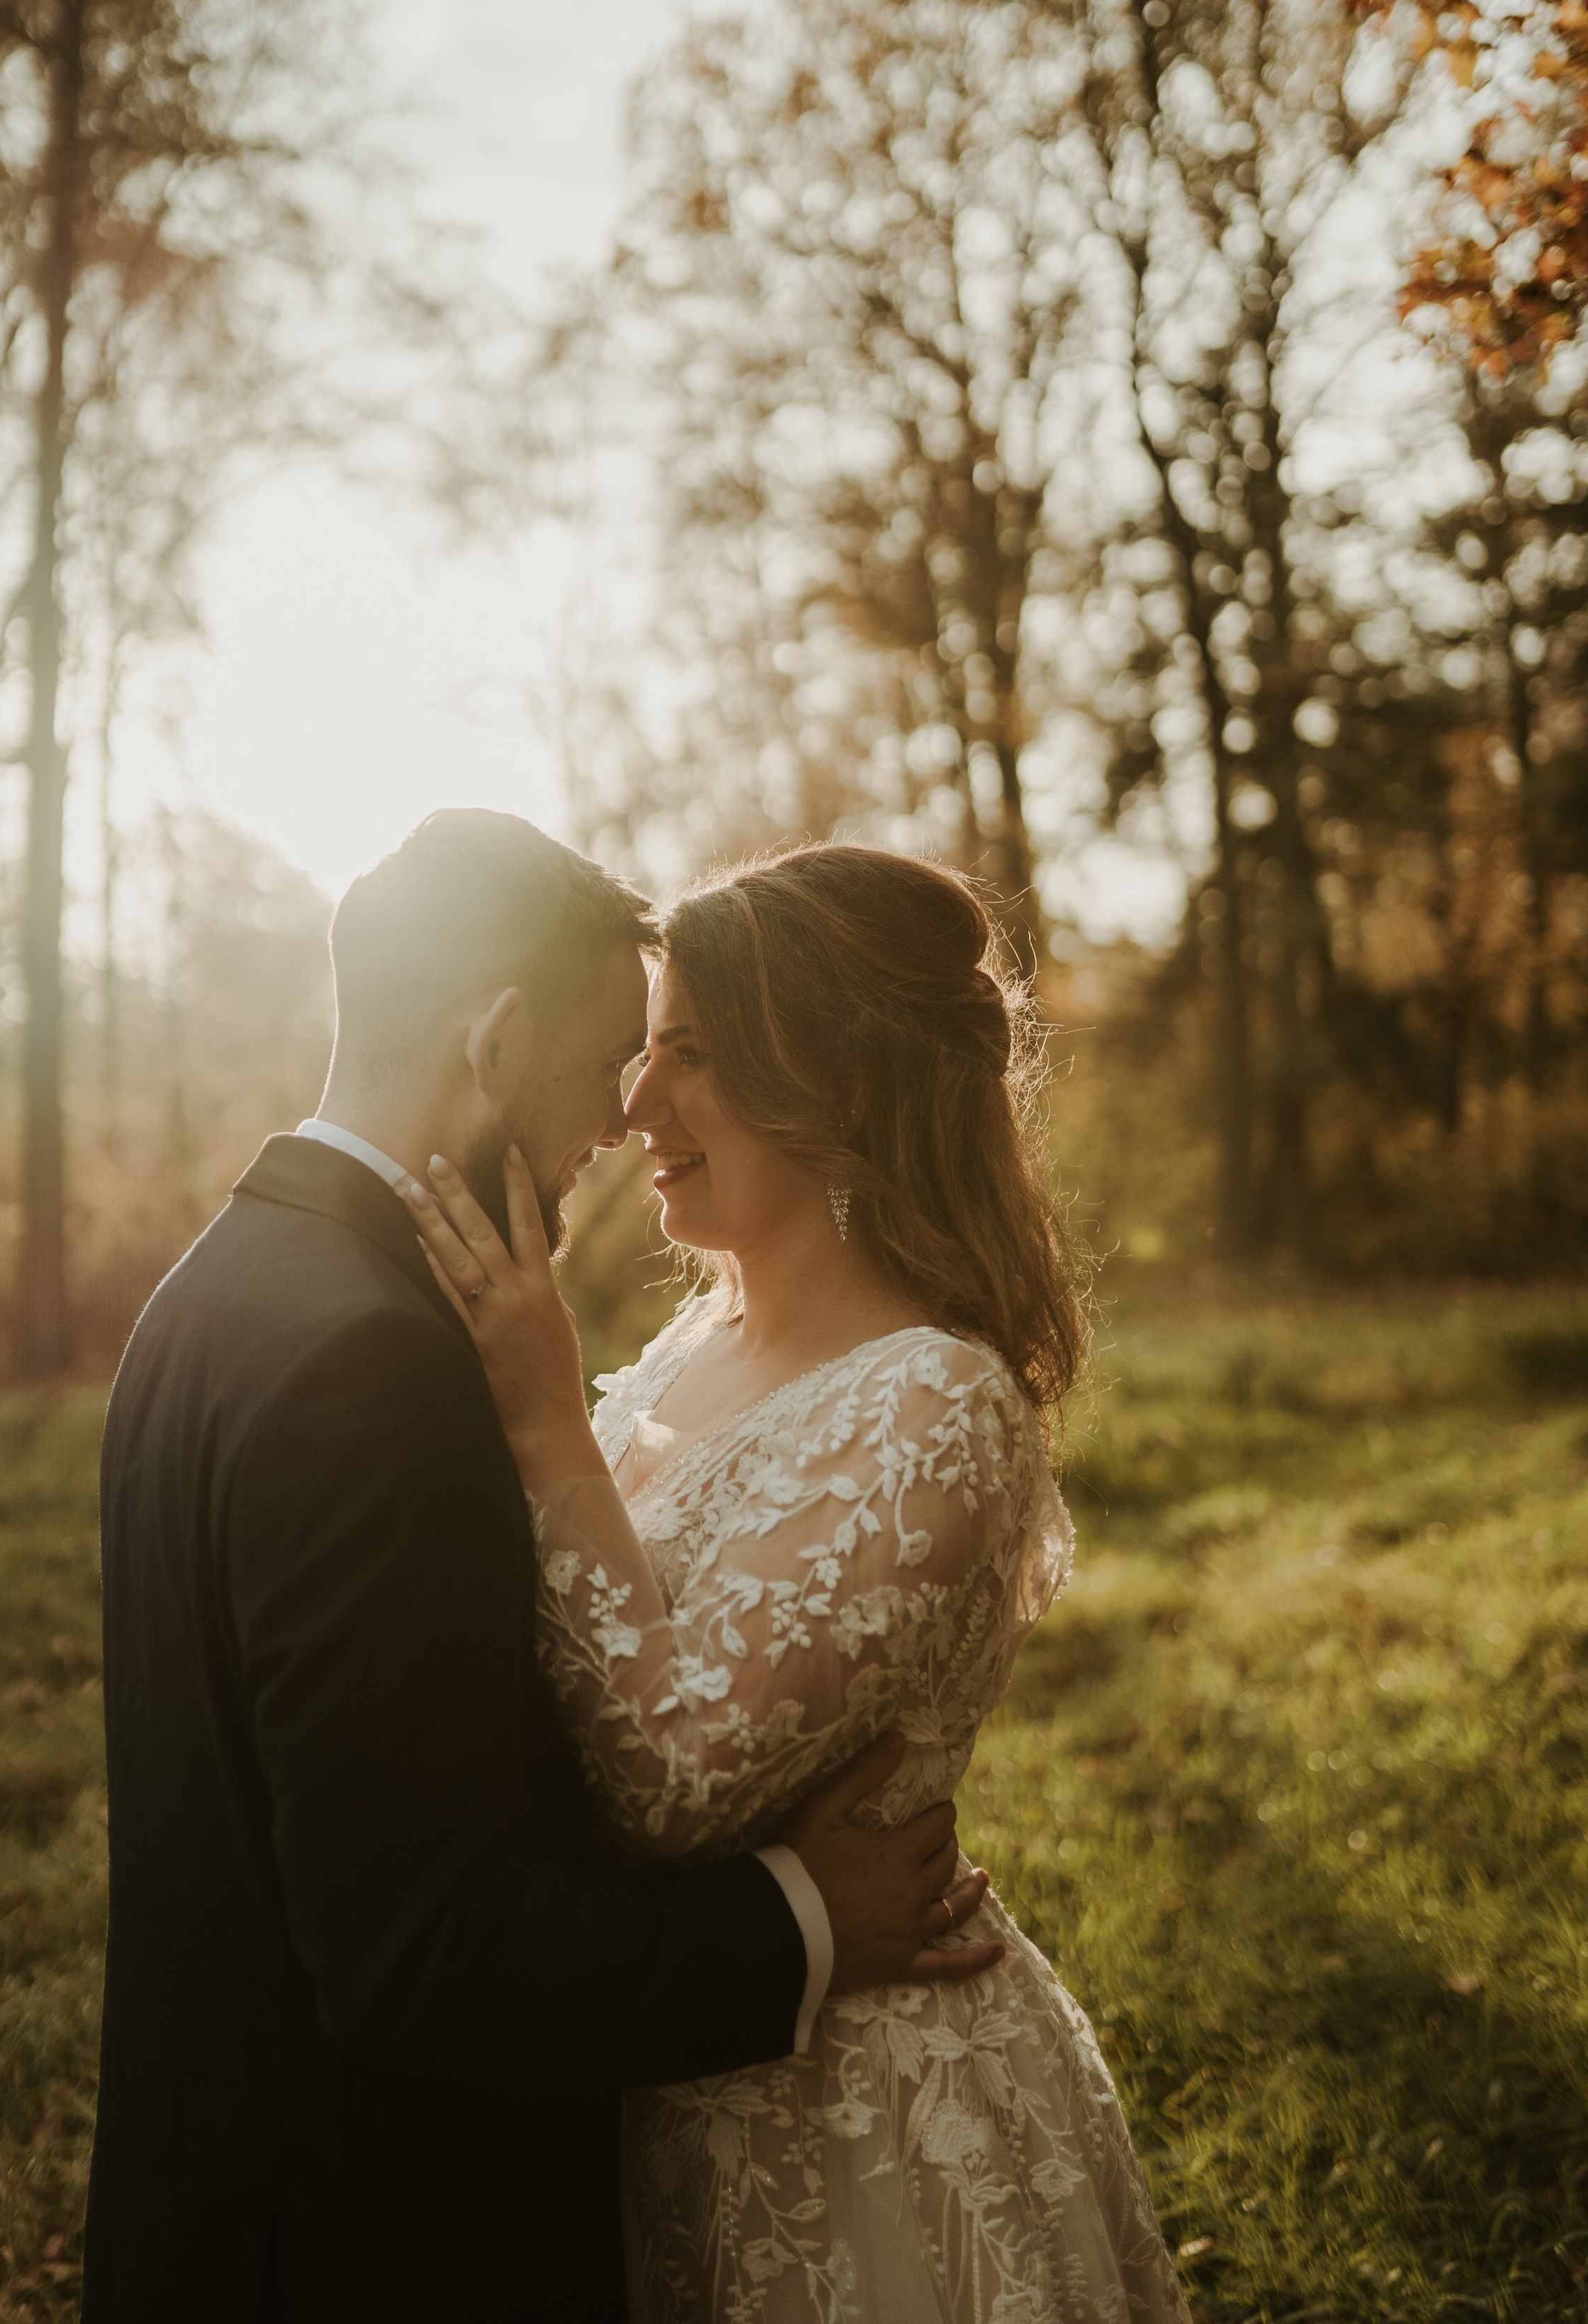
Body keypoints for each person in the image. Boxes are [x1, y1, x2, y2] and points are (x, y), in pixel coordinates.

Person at [82, 810, 1004, 2324]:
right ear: (496, 1042)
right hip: (357, 2243)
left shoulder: (215, 1288)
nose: (620, 1115)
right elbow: (423, 1953)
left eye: (674, 1058)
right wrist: (802, 1919)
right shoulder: (375, 1360)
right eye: (610, 1060)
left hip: (227, 2187)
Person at [403, 840, 1193, 2323]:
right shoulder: (687, 1351)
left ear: (836, 1084)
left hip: (852, 2123)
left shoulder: (934, 1405)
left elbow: (669, 1780)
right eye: (643, 1049)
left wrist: (545, 1420)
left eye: (691, 1054)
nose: (635, 1099)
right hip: (659, 2062)